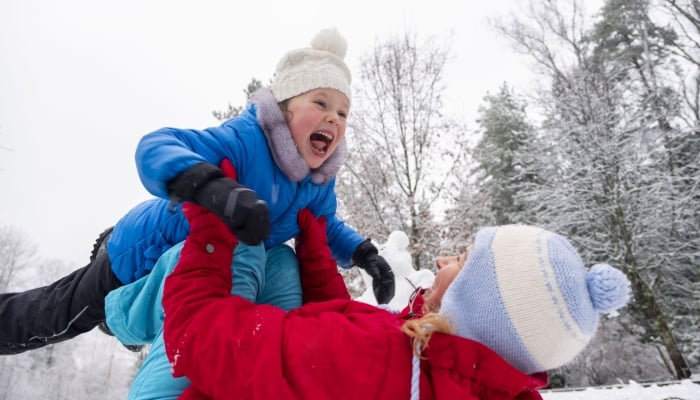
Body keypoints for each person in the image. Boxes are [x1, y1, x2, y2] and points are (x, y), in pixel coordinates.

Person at [0, 27, 395, 355]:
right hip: (140, 253)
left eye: (343, 112)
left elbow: (326, 226)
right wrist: (211, 186)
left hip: (193, 273)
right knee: (58, 316)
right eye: (321, 101)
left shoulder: (317, 183)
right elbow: (156, 146)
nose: (333, 116)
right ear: (286, 108)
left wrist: (364, 254)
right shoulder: (246, 140)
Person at [159, 201, 632, 399]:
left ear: (478, 303)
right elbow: (331, 361)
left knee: (170, 275)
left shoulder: (375, 357)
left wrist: (210, 229)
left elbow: (195, 334)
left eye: (463, 259)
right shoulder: (437, 372)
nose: (445, 256)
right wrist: (318, 255)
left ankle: (108, 305)